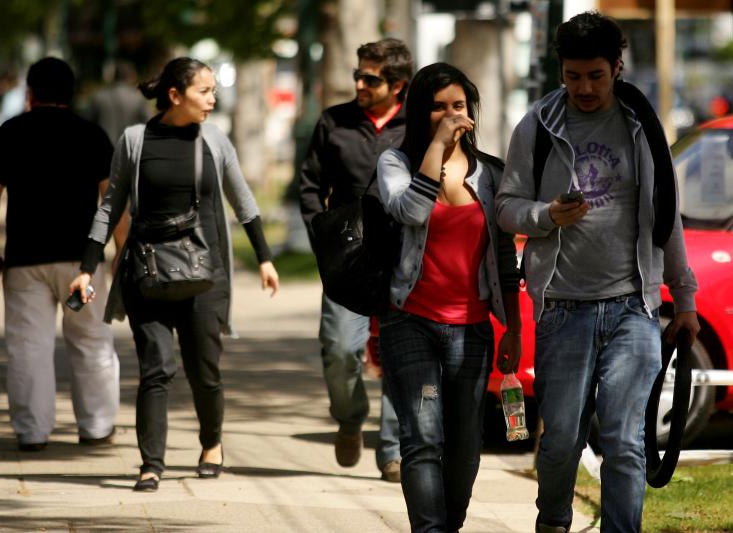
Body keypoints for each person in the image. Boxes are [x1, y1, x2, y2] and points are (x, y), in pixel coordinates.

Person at [495, 12, 700, 533]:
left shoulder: (644, 126)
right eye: (572, 76)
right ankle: (554, 522)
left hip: (633, 306)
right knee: (561, 438)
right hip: (562, 308)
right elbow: (506, 206)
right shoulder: (537, 125)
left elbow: (666, 215)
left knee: (626, 441)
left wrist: (686, 300)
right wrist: (545, 216)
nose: (583, 88)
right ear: (560, 71)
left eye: (595, 76)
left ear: (617, 67)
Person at [69, 57, 280, 492]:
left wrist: (264, 258)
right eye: (205, 91)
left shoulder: (215, 141)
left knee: (204, 370)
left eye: (213, 91)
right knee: (155, 369)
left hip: (207, 274)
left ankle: (212, 443)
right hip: (148, 272)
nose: (212, 99)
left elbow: (243, 202)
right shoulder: (134, 141)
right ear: (175, 95)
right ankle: (151, 464)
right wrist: (86, 269)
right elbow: (111, 207)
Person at [376, 62, 521, 532]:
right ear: (420, 113)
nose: (449, 115)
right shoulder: (395, 164)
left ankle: (448, 526)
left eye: (457, 106)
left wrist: (513, 329)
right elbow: (411, 211)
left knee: (464, 445)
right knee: (421, 439)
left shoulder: (491, 174)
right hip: (410, 321)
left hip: (472, 329)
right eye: (438, 108)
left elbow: (503, 256)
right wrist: (437, 147)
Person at [0, 57, 121, 451]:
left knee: (28, 346)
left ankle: (32, 431)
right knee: (92, 340)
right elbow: (112, 201)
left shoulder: (10, 133)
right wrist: (122, 251)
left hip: (25, 259)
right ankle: (96, 426)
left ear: (30, 93)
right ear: (71, 93)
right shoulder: (92, 135)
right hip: (83, 264)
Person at [299, 38, 413, 482]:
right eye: (358, 75)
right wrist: (320, 233)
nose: (359, 83)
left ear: (398, 84)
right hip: (347, 256)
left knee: (400, 354)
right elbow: (309, 185)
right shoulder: (334, 122)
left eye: (371, 78)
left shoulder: (416, 124)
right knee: (341, 349)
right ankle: (349, 420)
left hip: (404, 252)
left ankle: (393, 450)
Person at [85, 60, 150, 144]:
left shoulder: (99, 96)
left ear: (114, 76)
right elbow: (146, 123)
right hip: (129, 146)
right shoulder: (137, 98)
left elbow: (89, 122)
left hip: (104, 146)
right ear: (130, 76)